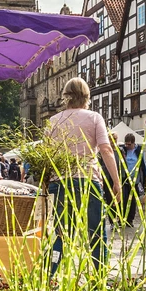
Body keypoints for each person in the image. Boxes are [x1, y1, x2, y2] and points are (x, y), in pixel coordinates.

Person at [46, 77, 121, 268]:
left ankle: (51, 279)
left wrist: (45, 182)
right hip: (88, 179)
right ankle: (99, 278)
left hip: (59, 181)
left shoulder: (53, 121)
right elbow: (106, 149)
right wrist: (116, 182)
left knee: (59, 233)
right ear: (87, 96)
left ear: (66, 96)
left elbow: (46, 155)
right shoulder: (94, 117)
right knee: (96, 231)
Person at [120, 132, 146, 226]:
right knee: (123, 199)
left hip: (135, 179)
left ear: (133, 143)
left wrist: (145, 179)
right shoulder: (122, 150)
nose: (127, 146)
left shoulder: (139, 150)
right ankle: (122, 218)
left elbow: (143, 165)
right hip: (124, 178)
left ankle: (130, 220)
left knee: (132, 201)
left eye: (129, 144)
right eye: (126, 143)